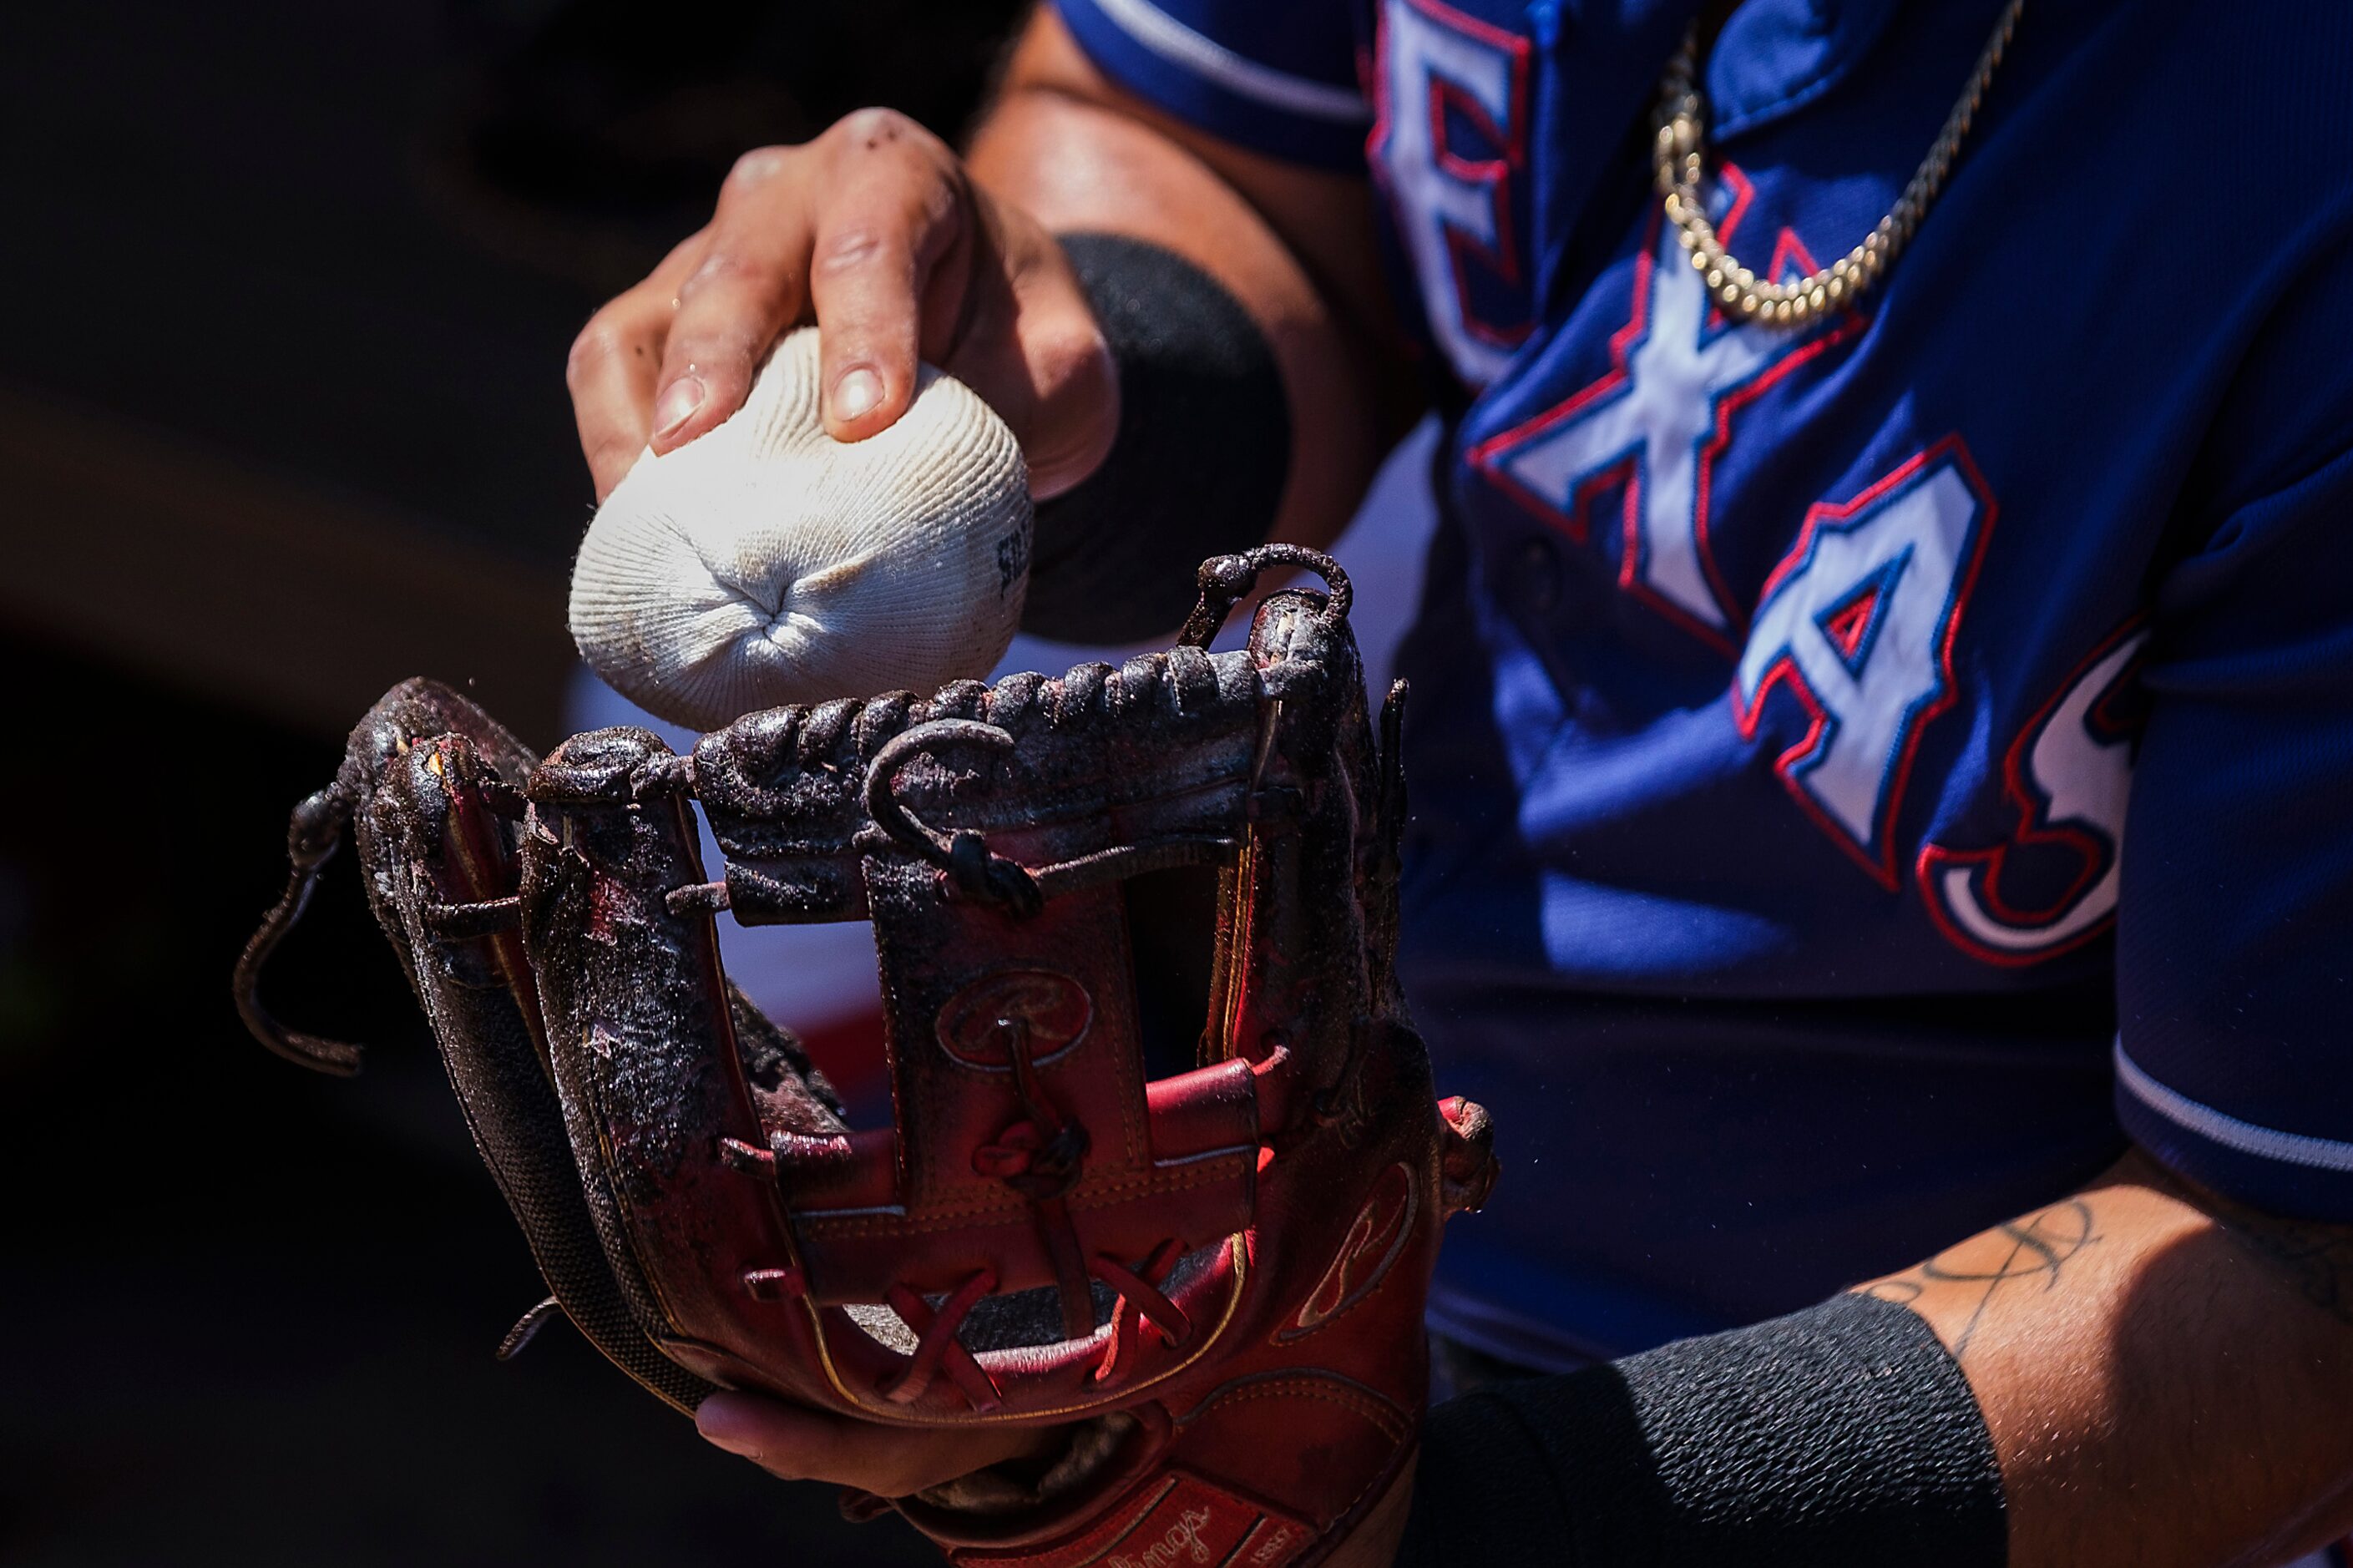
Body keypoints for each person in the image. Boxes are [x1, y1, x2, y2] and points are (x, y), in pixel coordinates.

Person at [560, 2, 2353, 1563]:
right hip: (1387, 1247)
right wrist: (1045, 382)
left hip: (1974, 1481)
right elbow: (1221, 158)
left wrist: (1442, 1522)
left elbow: (2302, 1288)